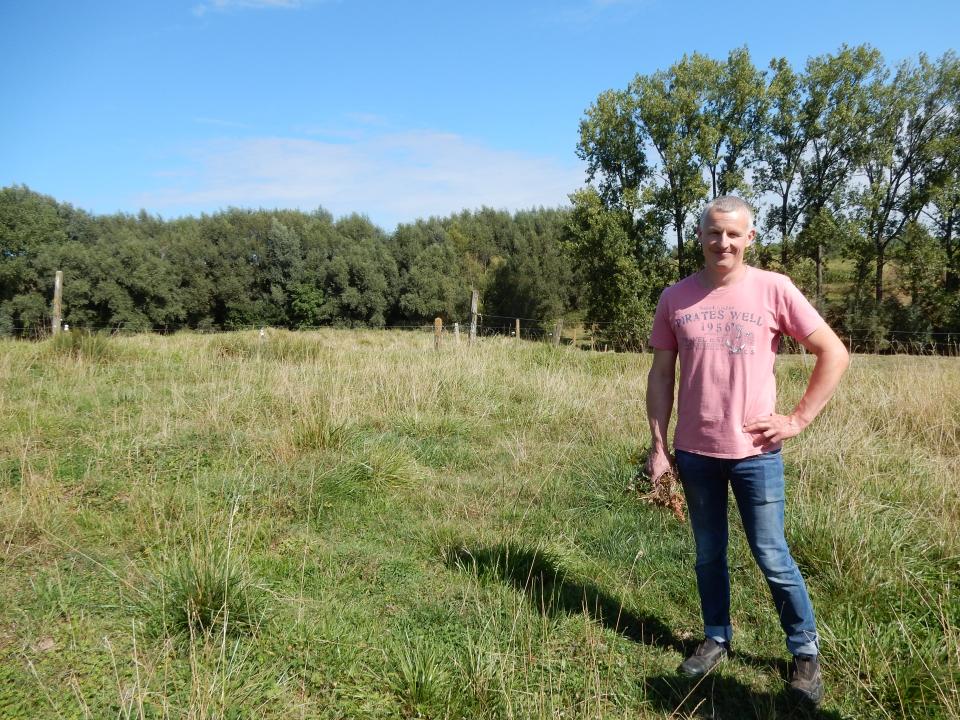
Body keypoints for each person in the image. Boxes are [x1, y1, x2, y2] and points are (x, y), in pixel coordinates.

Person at [644, 195, 849, 705]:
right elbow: (661, 374)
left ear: (750, 238)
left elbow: (834, 352)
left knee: (772, 554)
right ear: (699, 236)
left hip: (757, 452)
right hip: (694, 451)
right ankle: (716, 636)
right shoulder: (676, 297)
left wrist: (797, 419)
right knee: (708, 553)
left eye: (734, 234)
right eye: (714, 232)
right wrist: (657, 446)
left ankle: (804, 652)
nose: (724, 242)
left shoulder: (774, 289)